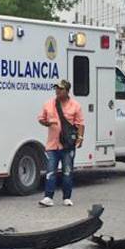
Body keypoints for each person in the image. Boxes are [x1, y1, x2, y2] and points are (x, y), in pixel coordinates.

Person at [37, 79, 85, 207]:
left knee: (67, 172)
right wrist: (47, 123)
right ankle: (48, 197)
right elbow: (41, 119)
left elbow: (80, 124)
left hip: (67, 145)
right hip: (52, 145)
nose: (57, 91)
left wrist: (80, 138)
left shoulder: (75, 105)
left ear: (67, 91)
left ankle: (67, 197)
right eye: (56, 88)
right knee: (50, 171)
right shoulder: (49, 104)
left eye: (61, 89)